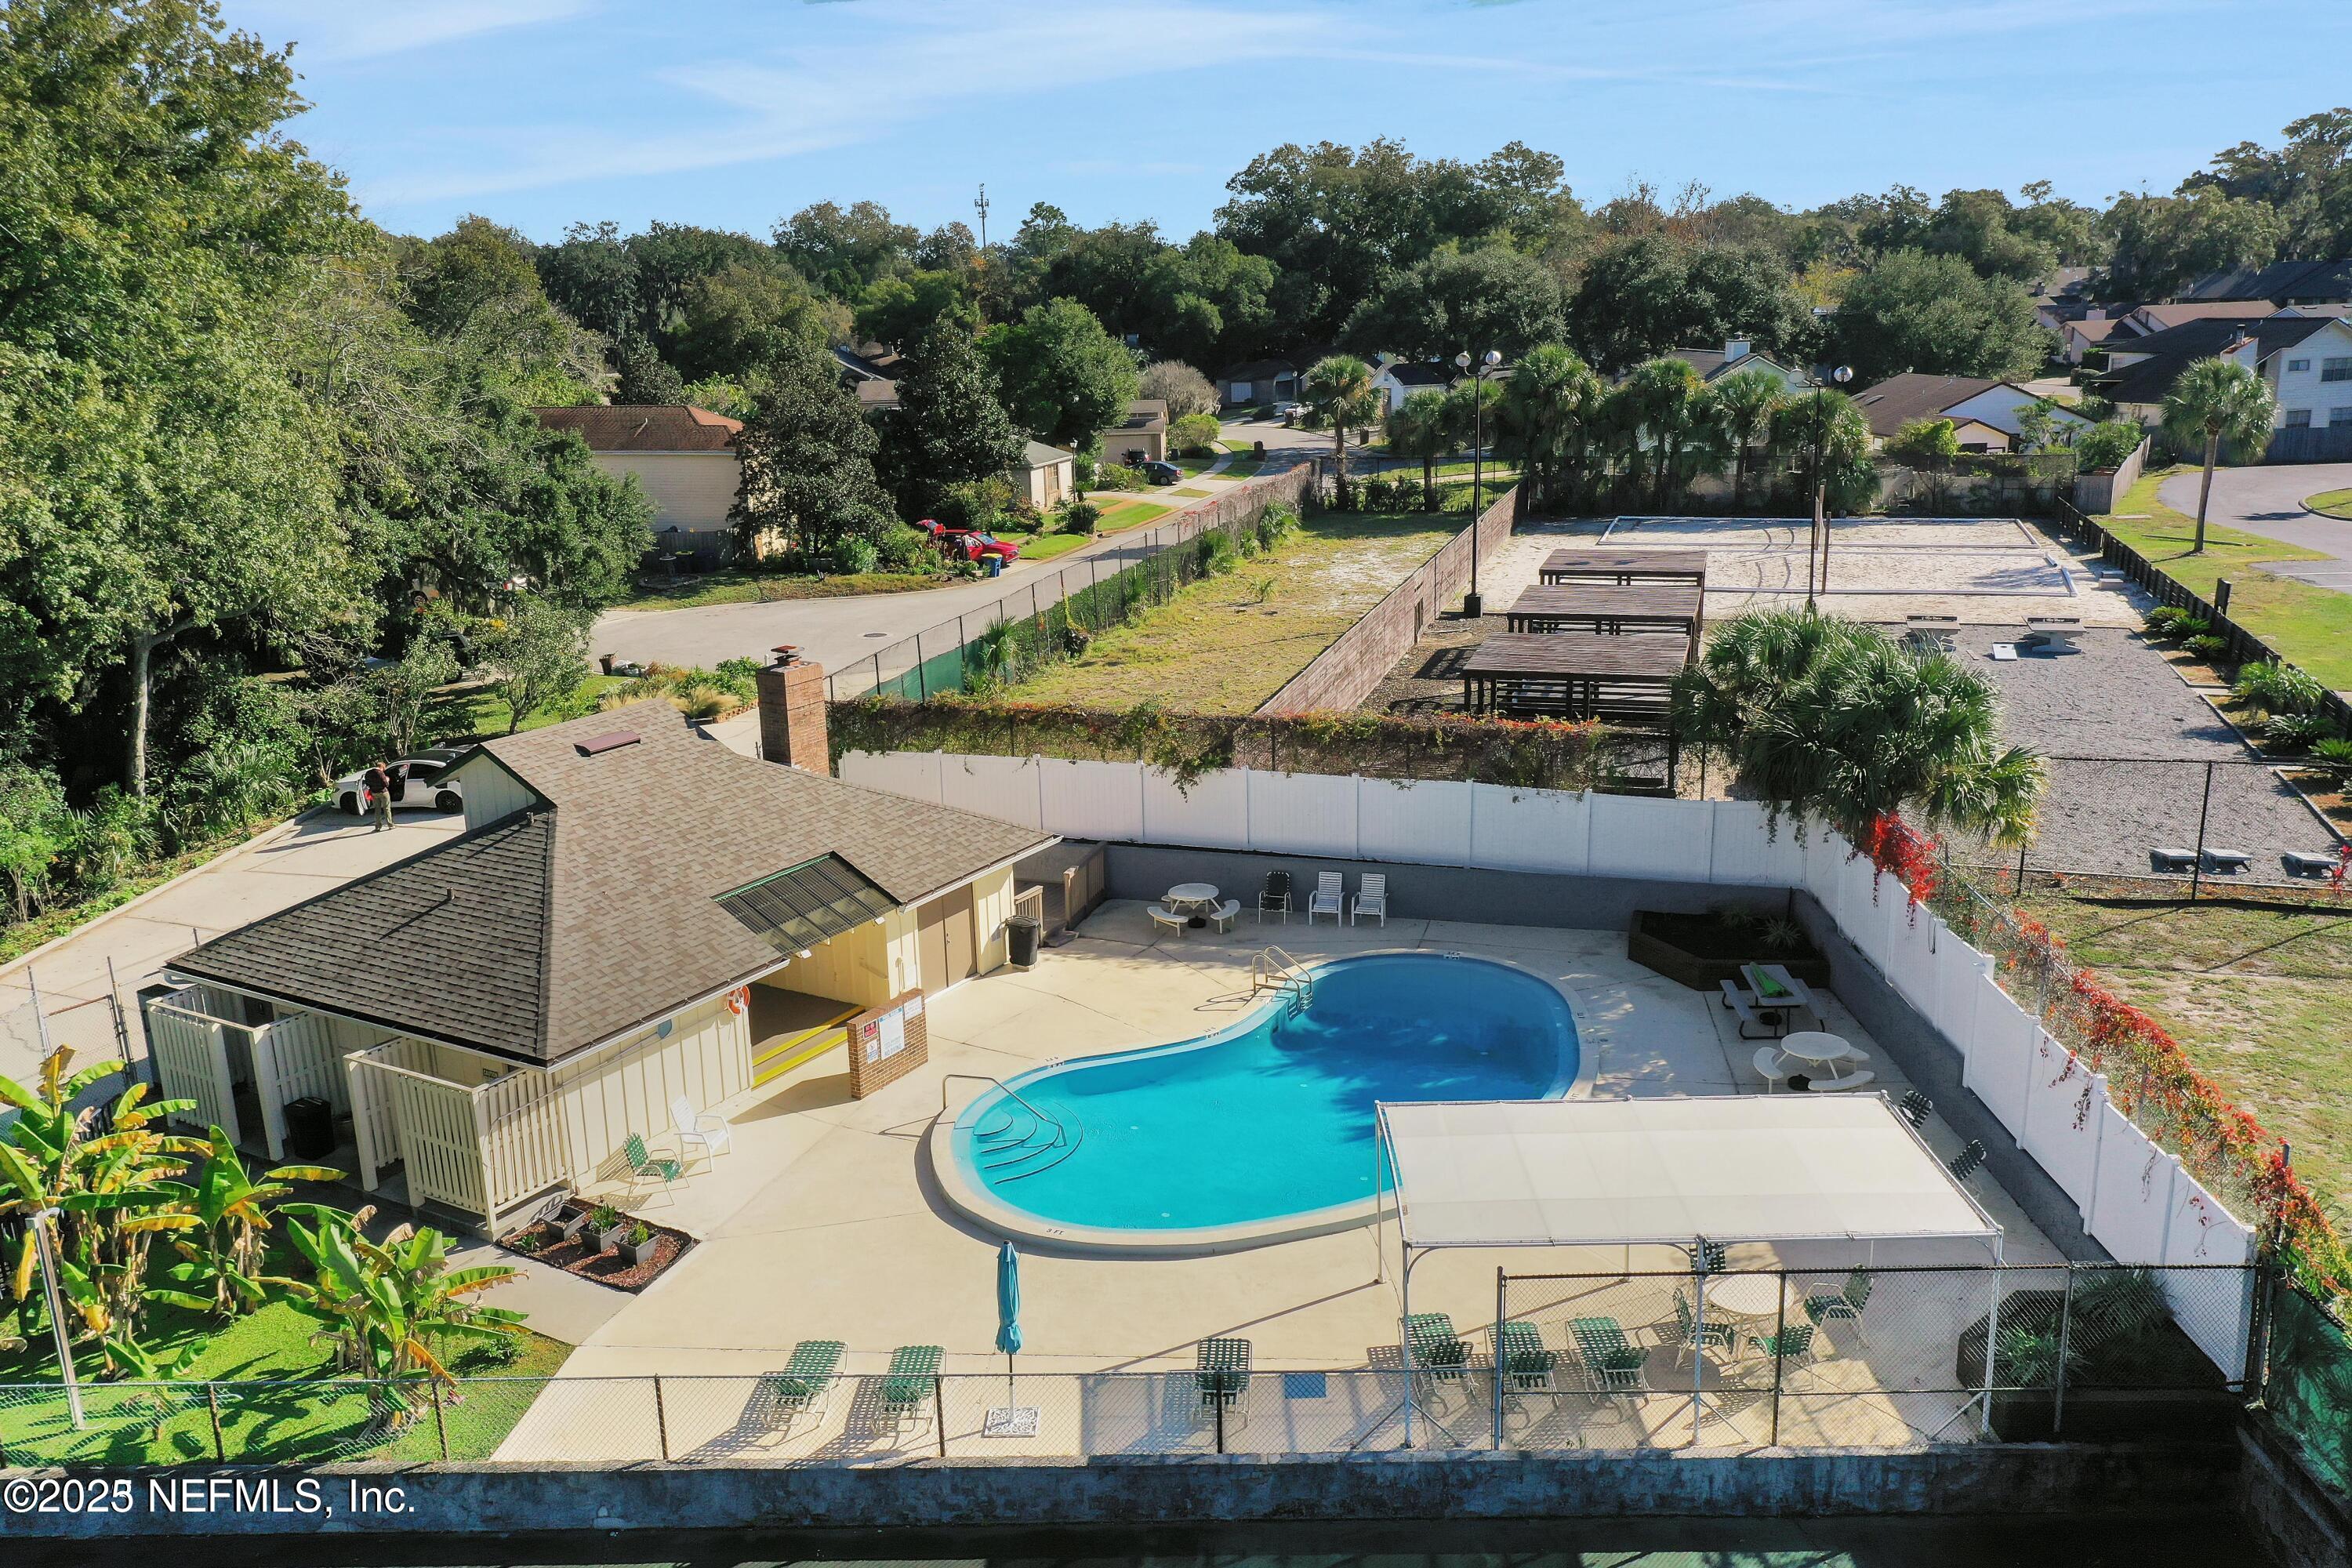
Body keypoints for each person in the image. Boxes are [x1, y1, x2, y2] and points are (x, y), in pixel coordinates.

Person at [363, 760, 392, 832]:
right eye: (384, 768)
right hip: (383, 793)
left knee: (377, 810)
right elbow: (386, 784)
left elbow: (367, 783)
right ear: (382, 767)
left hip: (374, 793)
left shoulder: (368, 773)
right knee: (387, 809)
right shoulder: (380, 773)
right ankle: (390, 825)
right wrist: (387, 780)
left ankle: (378, 826)